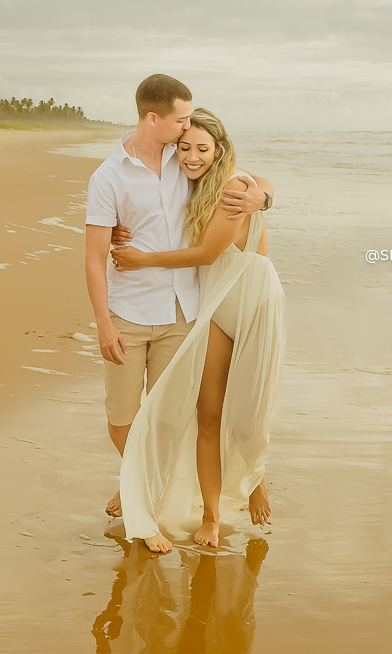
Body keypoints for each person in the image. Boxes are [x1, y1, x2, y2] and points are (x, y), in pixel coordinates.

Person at [85, 77, 271, 518]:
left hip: (210, 304)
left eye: (194, 135)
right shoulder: (126, 172)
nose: (188, 141)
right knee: (147, 418)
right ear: (157, 120)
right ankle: (137, 480)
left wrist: (264, 195)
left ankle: (250, 480)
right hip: (161, 305)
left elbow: (242, 178)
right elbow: (99, 254)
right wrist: (104, 322)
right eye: (182, 126)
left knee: (212, 407)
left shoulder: (195, 166)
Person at [111, 109, 285, 554]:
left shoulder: (234, 187)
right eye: (184, 147)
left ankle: (255, 479)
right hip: (211, 305)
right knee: (208, 414)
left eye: (202, 149)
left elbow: (208, 253)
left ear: (219, 150)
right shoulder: (184, 184)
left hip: (253, 303)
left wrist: (140, 260)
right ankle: (209, 513)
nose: (191, 157)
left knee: (248, 413)